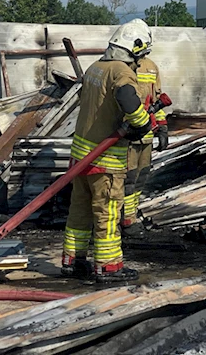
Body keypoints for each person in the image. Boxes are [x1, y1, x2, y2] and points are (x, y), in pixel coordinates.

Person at [61, 20, 154, 283]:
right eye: (141, 55)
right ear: (134, 50)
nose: (141, 62)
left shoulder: (95, 68)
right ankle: (109, 266)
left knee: (79, 210)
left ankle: (73, 261)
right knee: (107, 212)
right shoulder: (120, 72)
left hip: (80, 158)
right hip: (106, 162)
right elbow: (127, 98)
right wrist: (142, 123)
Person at [122, 27, 169, 234]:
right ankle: (122, 218)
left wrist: (163, 128)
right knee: (127, 179)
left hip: (147, 135)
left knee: (141, 176)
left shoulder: (151, 67)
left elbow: (157, 101)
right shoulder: (123, 67)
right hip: (127, 136)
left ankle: (130, 217)